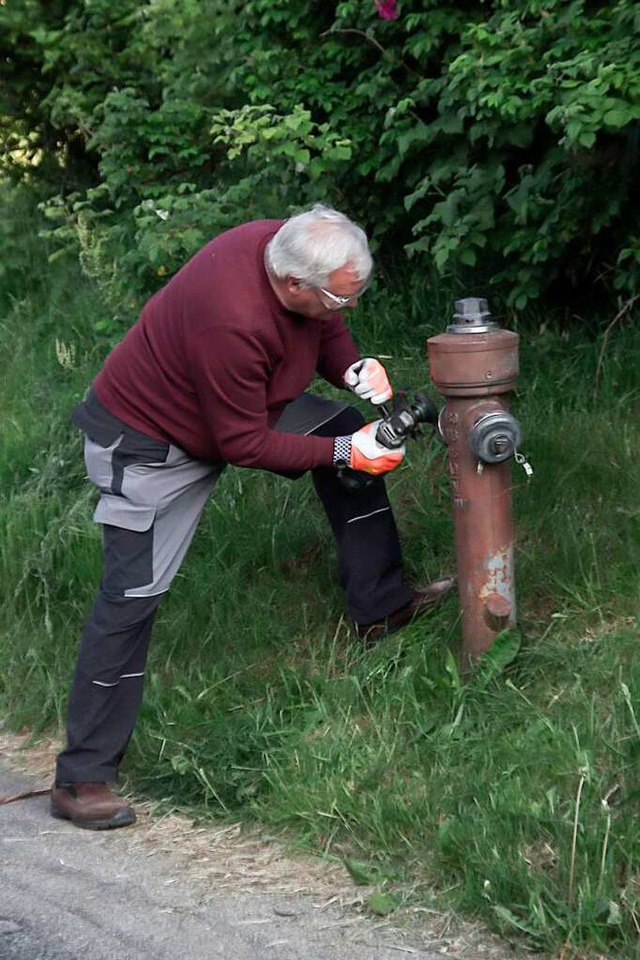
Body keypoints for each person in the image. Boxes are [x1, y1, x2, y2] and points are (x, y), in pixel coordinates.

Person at [51, 204, 455, 830]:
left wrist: (349, 366)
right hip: (149, 443)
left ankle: (383, 607)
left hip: (231, 408)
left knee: (348, 428)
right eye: (339, 300)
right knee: (131, 595)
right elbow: (241, 444)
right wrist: (350, 452)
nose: (345, 309)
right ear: (295, 284)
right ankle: (82, 775)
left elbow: (318, 329)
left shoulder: (282, 245)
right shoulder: (231, 320)